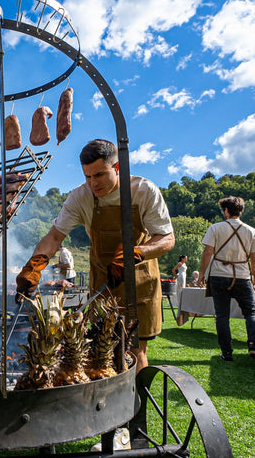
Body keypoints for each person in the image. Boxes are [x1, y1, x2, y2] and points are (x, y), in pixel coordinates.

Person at [16, 137, 174, 387]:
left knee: (134, 352)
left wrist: (138, 252)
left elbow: (166, 238)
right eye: (88, 176)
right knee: (99, 352)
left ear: (117, 168)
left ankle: (134, 411)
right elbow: (54, 236)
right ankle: (105, 409)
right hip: (103, 281)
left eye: (99, 174)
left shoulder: (143, 190)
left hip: (138, 282)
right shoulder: (80, 197)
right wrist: (34, 264)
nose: (93, 183)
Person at [197, 196, 255, 362]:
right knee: (251, 312)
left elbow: (208, 252)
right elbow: (254, 258)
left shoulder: (215, 228)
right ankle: (253, 344)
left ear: (227, 210)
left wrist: (202, 274)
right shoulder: (251, 231)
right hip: (243, 276)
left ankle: (227, 353)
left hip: (218, 275)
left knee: (222, 315)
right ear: (241, 211)